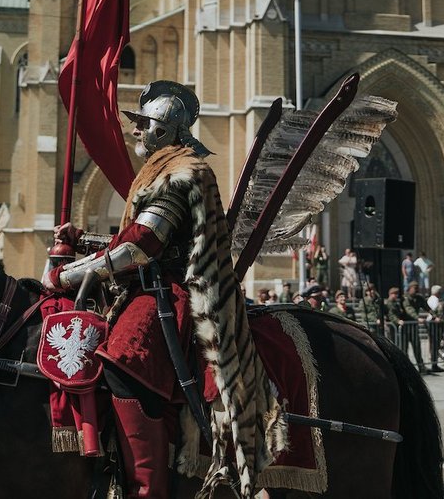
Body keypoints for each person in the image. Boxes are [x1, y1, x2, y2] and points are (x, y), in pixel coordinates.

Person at [41, 81, 280, 498]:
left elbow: (141, 245)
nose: (135, 129)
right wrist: (81, 241)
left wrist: (66, 276)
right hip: (151, 284)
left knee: (124, 359)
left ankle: (146, 488)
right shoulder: (162, 167)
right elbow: (137, 238)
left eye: (143, 122)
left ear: (167, 129)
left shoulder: (181, 171)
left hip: (177, 292)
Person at [386, 285, 426, 373]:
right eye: (394, 294)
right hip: (395, 328)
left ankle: (418, 367)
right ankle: (404, 368)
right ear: (390, 294)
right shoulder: (389, 303)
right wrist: (397, 321)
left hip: (405, 327)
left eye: (397, 294)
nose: (396, 295)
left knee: (414, 348)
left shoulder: (398, 303)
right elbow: (391, 314)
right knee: (402, 349)